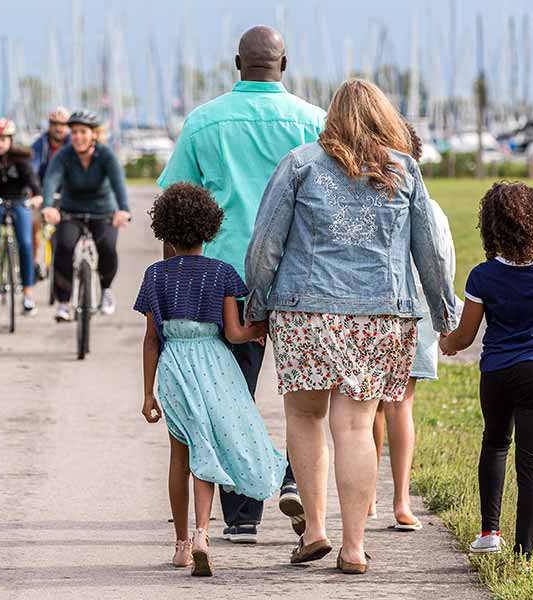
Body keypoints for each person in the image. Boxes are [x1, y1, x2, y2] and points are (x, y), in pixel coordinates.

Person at [244, 79, 457, 574]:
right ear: (384, 118)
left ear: (331, 118)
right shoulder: (402, 170)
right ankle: (354, 547)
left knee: (304, 417)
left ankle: (315, 530)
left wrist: (256, 306)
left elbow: (265, 244)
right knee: (358, 426)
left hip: (306, 311)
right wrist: (444, 315)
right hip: (381, 315)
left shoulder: (300, 164)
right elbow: (428, 250)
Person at [156, 24, 324, 545]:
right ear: (285, 64)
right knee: (304, 397)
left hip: (224, 279)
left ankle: (243, 514)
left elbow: (175, 208)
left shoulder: (204, 122)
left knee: (231, 395)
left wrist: (174, 285)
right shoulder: (313, 122)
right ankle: (296, 480)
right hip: (300, 277)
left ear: (236, 64)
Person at [136, 182, 287, 577]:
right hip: (215, 365)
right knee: (208, 448)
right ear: (210, 228)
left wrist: (148, 393)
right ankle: (204, 532)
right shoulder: (222, 273)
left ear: (164, 231)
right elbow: (235, 334)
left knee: (180, 454)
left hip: (174, 366)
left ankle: (181, 544)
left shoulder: (155, 276)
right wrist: (259, 328)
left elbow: (152, 340)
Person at [439, 181, 533, 569]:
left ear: (491, 227)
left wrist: (446, 344)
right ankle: (526, 556)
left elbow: (466, 336)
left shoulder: (483, 276)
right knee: (532, 461)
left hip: (497, 373)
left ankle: (489, 534)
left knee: (496, 444)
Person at [370, 123, 461, 530]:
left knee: (369, 406)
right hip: (417, 313)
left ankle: (372, 493)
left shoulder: (367, 198)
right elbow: (444, 264)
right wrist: (446, 316)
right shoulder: (434, 209)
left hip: (380, 310)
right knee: (400, 405)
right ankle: (399, 499)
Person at [40, 110, 131, 322]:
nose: (78, 137)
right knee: (62, 246)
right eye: (74, 132)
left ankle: (106, 290)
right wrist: (48, 207)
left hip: (103, 211)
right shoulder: (64, 155)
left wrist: (123, 210)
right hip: (71, 210)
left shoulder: (106, 155)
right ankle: (64, 302)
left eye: (83, 132)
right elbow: (51, 180)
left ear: (94, 135)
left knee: (107, 247)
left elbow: (118, 184)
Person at [0, 118, 43, 316]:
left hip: (19, 200)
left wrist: (37, 195)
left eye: (3, 139)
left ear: (10, 140)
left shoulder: (21, 157)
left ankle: (28, 294)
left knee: (26, 244)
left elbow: (31, 178)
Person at [30, 107, 71, 273]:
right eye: (54, 124)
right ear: (49, 125)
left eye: (62, 124)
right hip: (41, 192)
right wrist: (34, 192)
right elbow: (32, 169)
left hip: (68, 193)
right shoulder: (40, 144)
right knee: (33, 223)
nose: (58, 128)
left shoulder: (74, 143)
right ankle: (33, 264)